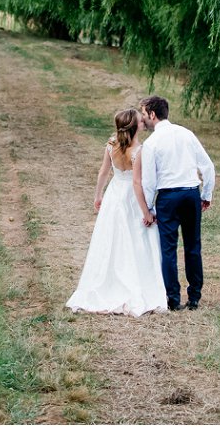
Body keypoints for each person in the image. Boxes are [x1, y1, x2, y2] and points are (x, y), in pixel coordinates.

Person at [66, 109, 168, 316]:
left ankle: (111, 280)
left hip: (114, 194)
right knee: (137, 238)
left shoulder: (111, 144)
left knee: (111, 236)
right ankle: (137, 284)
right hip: (131, 197)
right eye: (140, 121)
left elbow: (103, 172)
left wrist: (98, 195)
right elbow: (137, 183)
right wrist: (146, 212)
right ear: (135, 126)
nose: (143, 122)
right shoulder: (139, 151)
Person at [133, 95, 215, 311]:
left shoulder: (151, 143)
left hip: (168, 198)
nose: (143, 119)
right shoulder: (186, 134)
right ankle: (194, 296)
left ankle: (173, 298)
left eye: (144, 114)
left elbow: (149, 182)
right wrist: (206, 195)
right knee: (193, 246)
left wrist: (149, 208)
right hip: (190, 194)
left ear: (152, 114)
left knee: (168, 249)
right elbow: (207, 166)